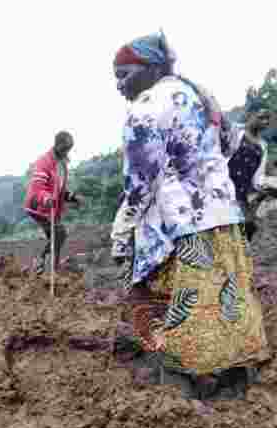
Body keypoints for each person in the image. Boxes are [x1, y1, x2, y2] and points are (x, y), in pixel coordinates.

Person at [110, 31, 270, 399]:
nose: (119, 86)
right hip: (223, 217)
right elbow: (232, 145)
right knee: (225, 301)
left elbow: (141, 181)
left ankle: (181, 397)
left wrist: (124, 226)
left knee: (159, 306)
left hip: (178, 229)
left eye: (124, 74)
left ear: (150, 68)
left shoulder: (144, 108)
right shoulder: (201, 96)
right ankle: (236, 386)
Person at [24, 132, 83, 274]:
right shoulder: (44, 162)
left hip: (50, 207)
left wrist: (72, 197)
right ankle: (41, 261)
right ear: (57, 145)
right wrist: (46, 198)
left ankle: (47, 266)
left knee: (55, 237)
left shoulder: (61, 164)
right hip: (38, 207)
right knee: (59, 233)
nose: (66, 152)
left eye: (69, 149)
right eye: (65, 148)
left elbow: (59, 188)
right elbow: (38, 187)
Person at [228, 109, 275, 243]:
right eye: (261, 117)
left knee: (248, 227)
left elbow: (257, 178)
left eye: (267, 120)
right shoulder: (235, 132)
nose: (265, 122)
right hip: (224, 190)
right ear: (250, 115)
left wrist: (265, 189)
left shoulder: (263, 146)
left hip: (241, 195)